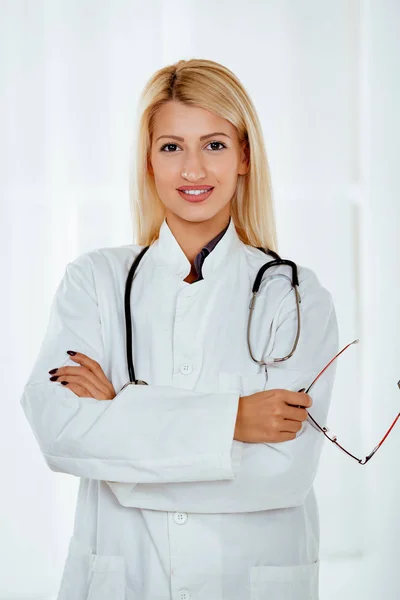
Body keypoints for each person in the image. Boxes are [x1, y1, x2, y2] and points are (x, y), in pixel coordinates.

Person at [20, 58, 338, 600]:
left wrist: (122, 422)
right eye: (171, 147)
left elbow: (285, 473)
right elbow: (60, 433)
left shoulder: (296, 296)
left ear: (243, 156)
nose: (193, 170)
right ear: (148, 160)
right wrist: (234, 420)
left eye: (214, 145)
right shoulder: (93, 281)